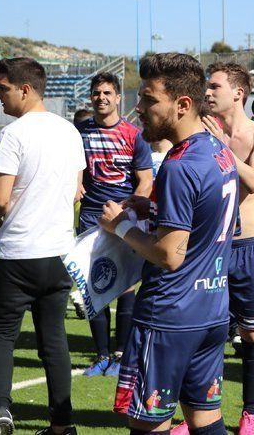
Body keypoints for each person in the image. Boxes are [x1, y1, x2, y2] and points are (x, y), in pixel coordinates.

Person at [100, 53, 237, 435]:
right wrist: (154, 206)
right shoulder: (217, 149)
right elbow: (206, 219)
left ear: (182, 104)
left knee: (147, 424)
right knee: (205, 418)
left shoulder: (178, 165)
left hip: (169, 316)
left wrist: (121, 227)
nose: (138, 108)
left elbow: (169, 255)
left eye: (148, 99)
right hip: (210, 310)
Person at [0, 57, 85, 435]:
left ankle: (2, 412)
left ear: (25, 89)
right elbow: (77, 192)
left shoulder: (15, 134)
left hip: (17, 253)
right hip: (58, 253)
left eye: (3, 88)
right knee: (54, 340)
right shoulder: (70, 132)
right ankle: (62, 426)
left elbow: (0, 197)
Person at [203, 62, 254, 434]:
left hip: (248, 249)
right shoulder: (201, 133)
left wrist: (218, 145)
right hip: (209, 250)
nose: (208, 92)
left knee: (252, 334)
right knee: (206, 333)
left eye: (215, 86)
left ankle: (250, 414)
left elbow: (252, 180)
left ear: (238, 92)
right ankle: (202, 415)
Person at [76, 72, 153, 378]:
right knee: (92, 286)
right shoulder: (79, 132)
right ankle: (101, 354)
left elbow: (146, 180)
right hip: (90, 217)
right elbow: (74, 168)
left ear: (119, 97)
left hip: (123, 218)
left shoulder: (134, 135)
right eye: (96, 93)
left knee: (124, 286)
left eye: (107, 92)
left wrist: (126, 209)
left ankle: (121, 352)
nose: (101, 97)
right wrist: (75, 185)